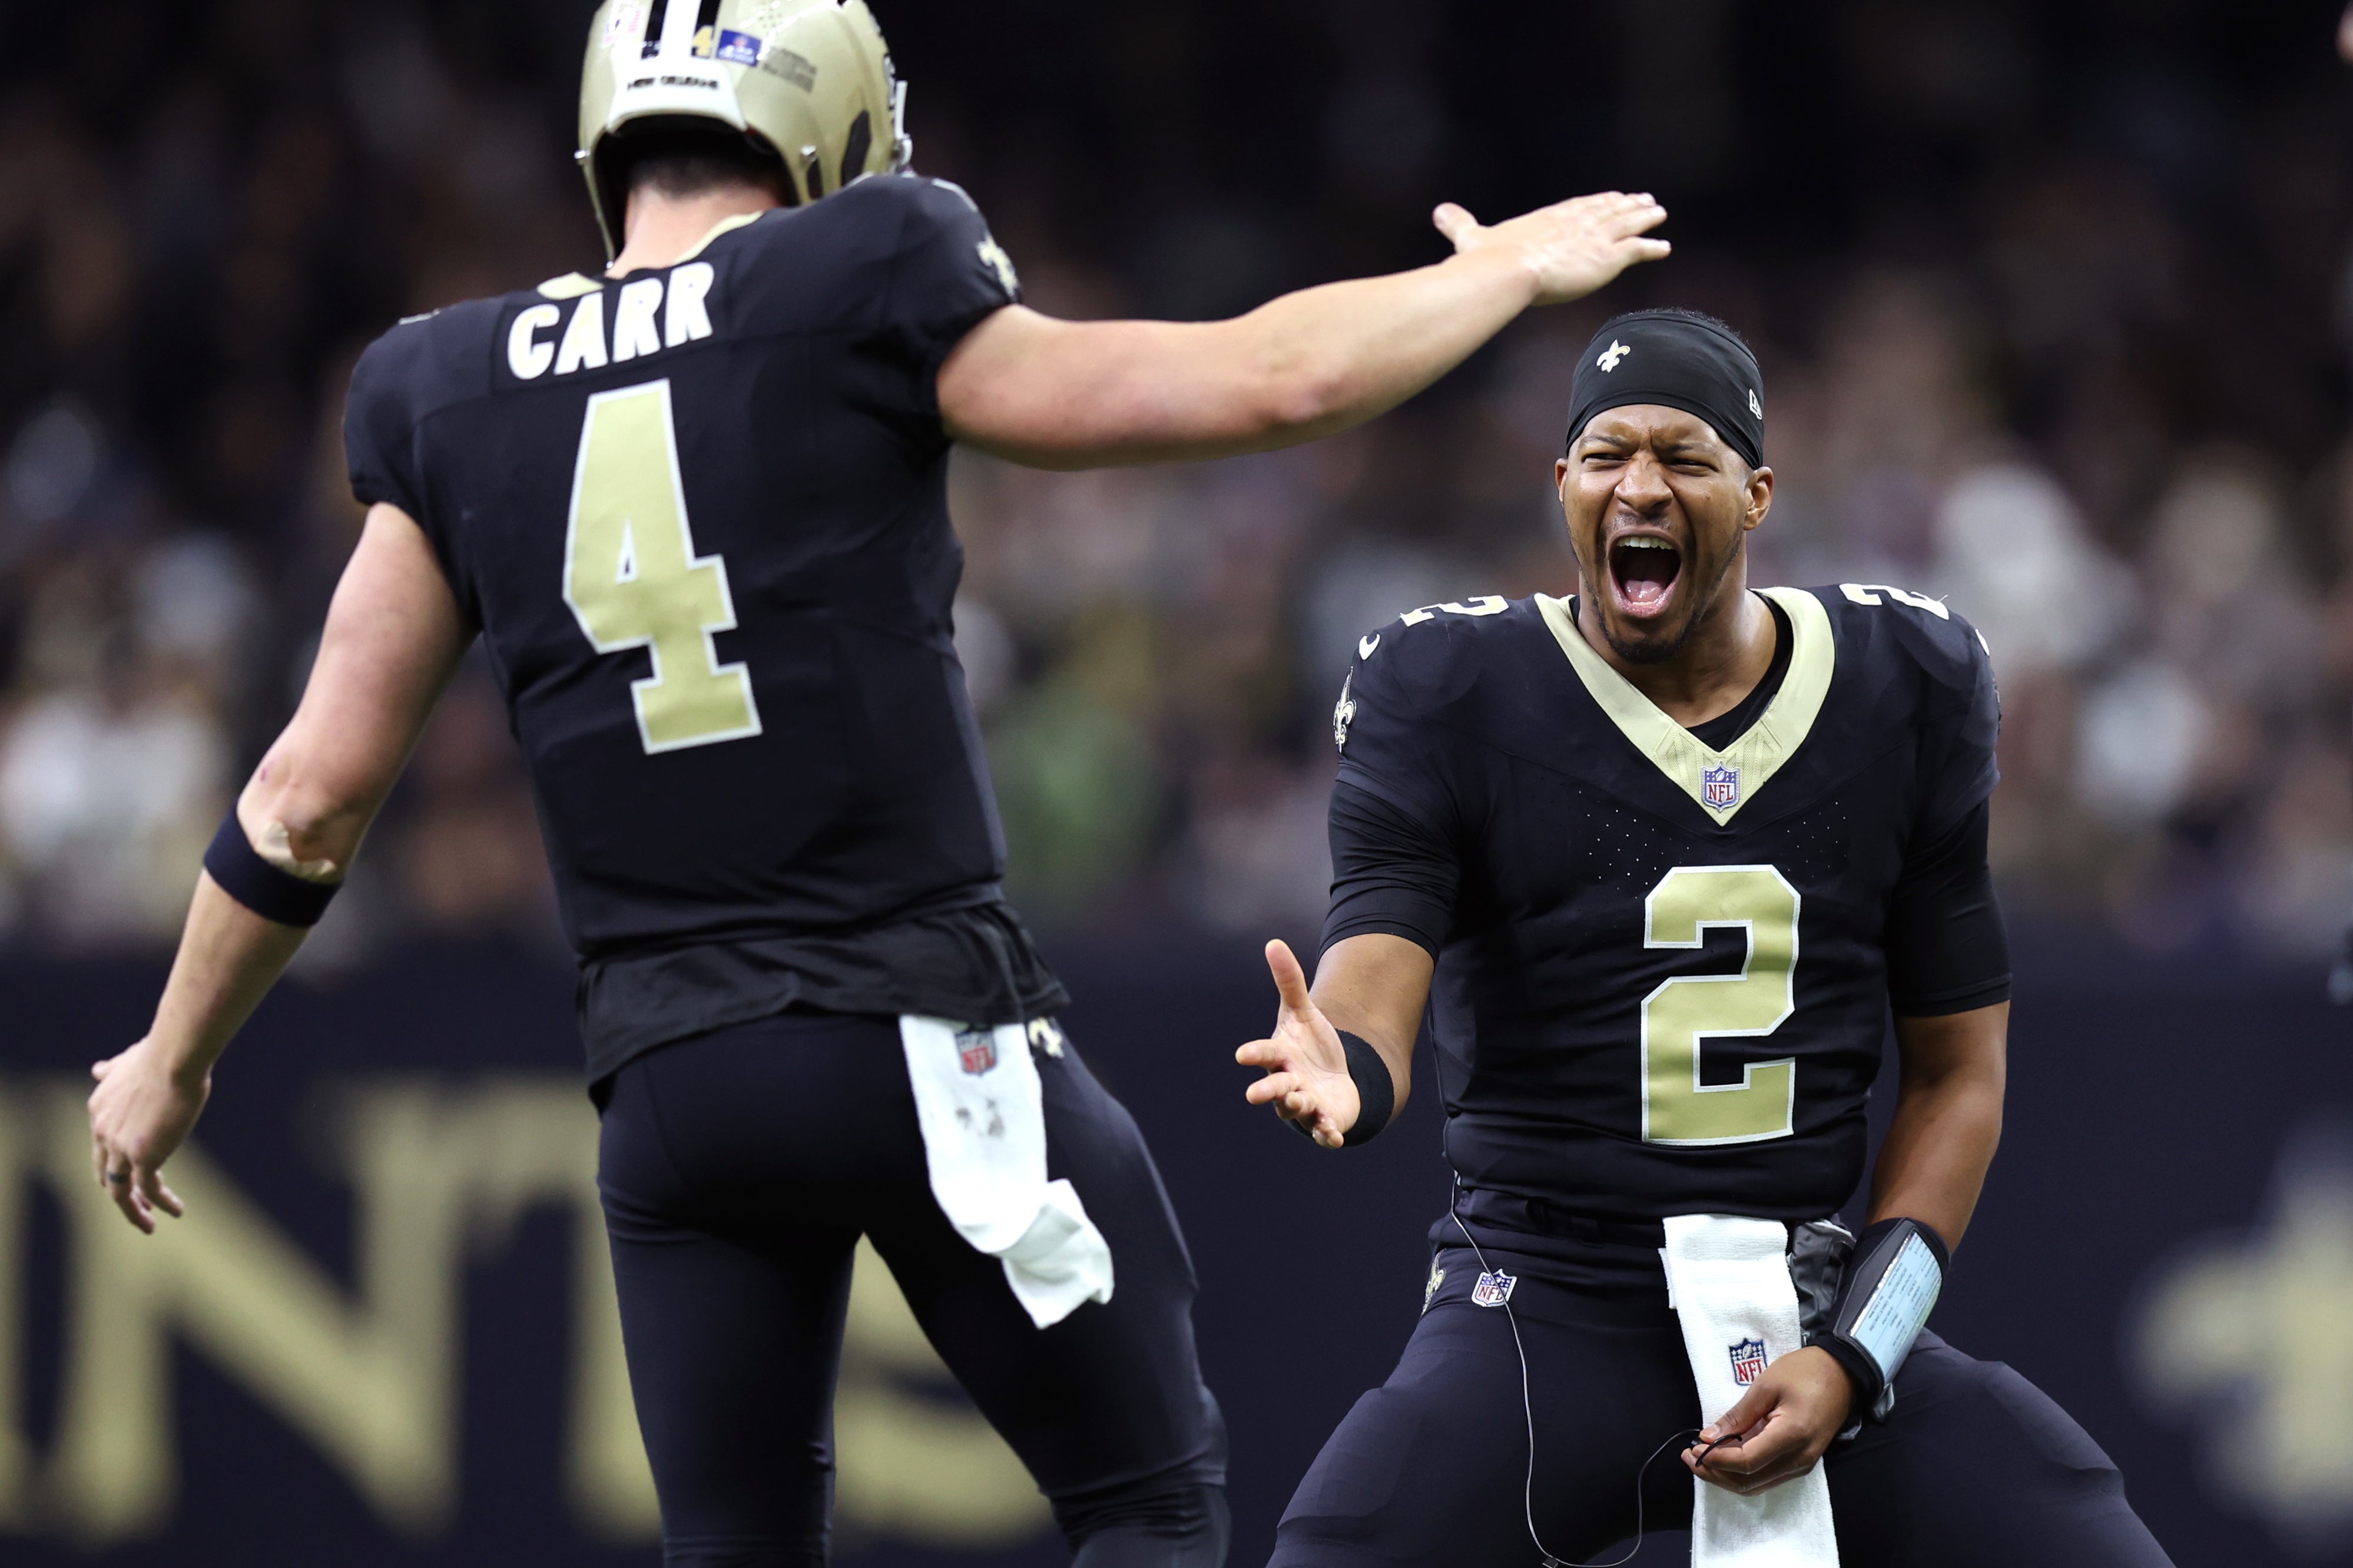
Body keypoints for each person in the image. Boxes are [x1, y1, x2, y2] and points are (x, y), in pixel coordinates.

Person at [81, 3, 1671, 1564]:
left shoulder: (441, 384)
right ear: (830, 119)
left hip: (675, 1100)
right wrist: (1494, 276)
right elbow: (1257, 383)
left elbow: (306, 801)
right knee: (1144, 1496)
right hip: (921, 1041)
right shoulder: (866, 269)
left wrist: (172, 1055)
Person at [1237, 309, 2175, 1564]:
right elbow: (1374, 975)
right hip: (1543, 1297)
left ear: (1756, 494)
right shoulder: (1452, 687)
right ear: (1562, 483)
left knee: (2083, 1537)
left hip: (1802, 1295)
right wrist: (1344, 1069)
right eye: (1607, 454)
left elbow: (1959, 1078)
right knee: (1339, 1548)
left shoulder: (1909, 683)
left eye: (1683, 457)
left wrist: (1857, 1354)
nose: (1641, 485)